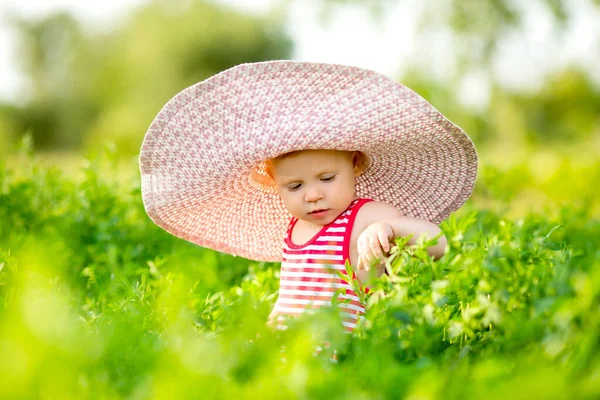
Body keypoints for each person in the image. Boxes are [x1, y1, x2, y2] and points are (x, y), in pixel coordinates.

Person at [139, 60, 478, 332]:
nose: (313, 195)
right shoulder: (295, 230)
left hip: (346, 347)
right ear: (273, 181)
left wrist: (390, 230)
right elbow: (291, 297)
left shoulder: (365, 216)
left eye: (327, 179)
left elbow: (438, 243)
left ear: (355, 163)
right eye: (295, 186)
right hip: (294, 351)